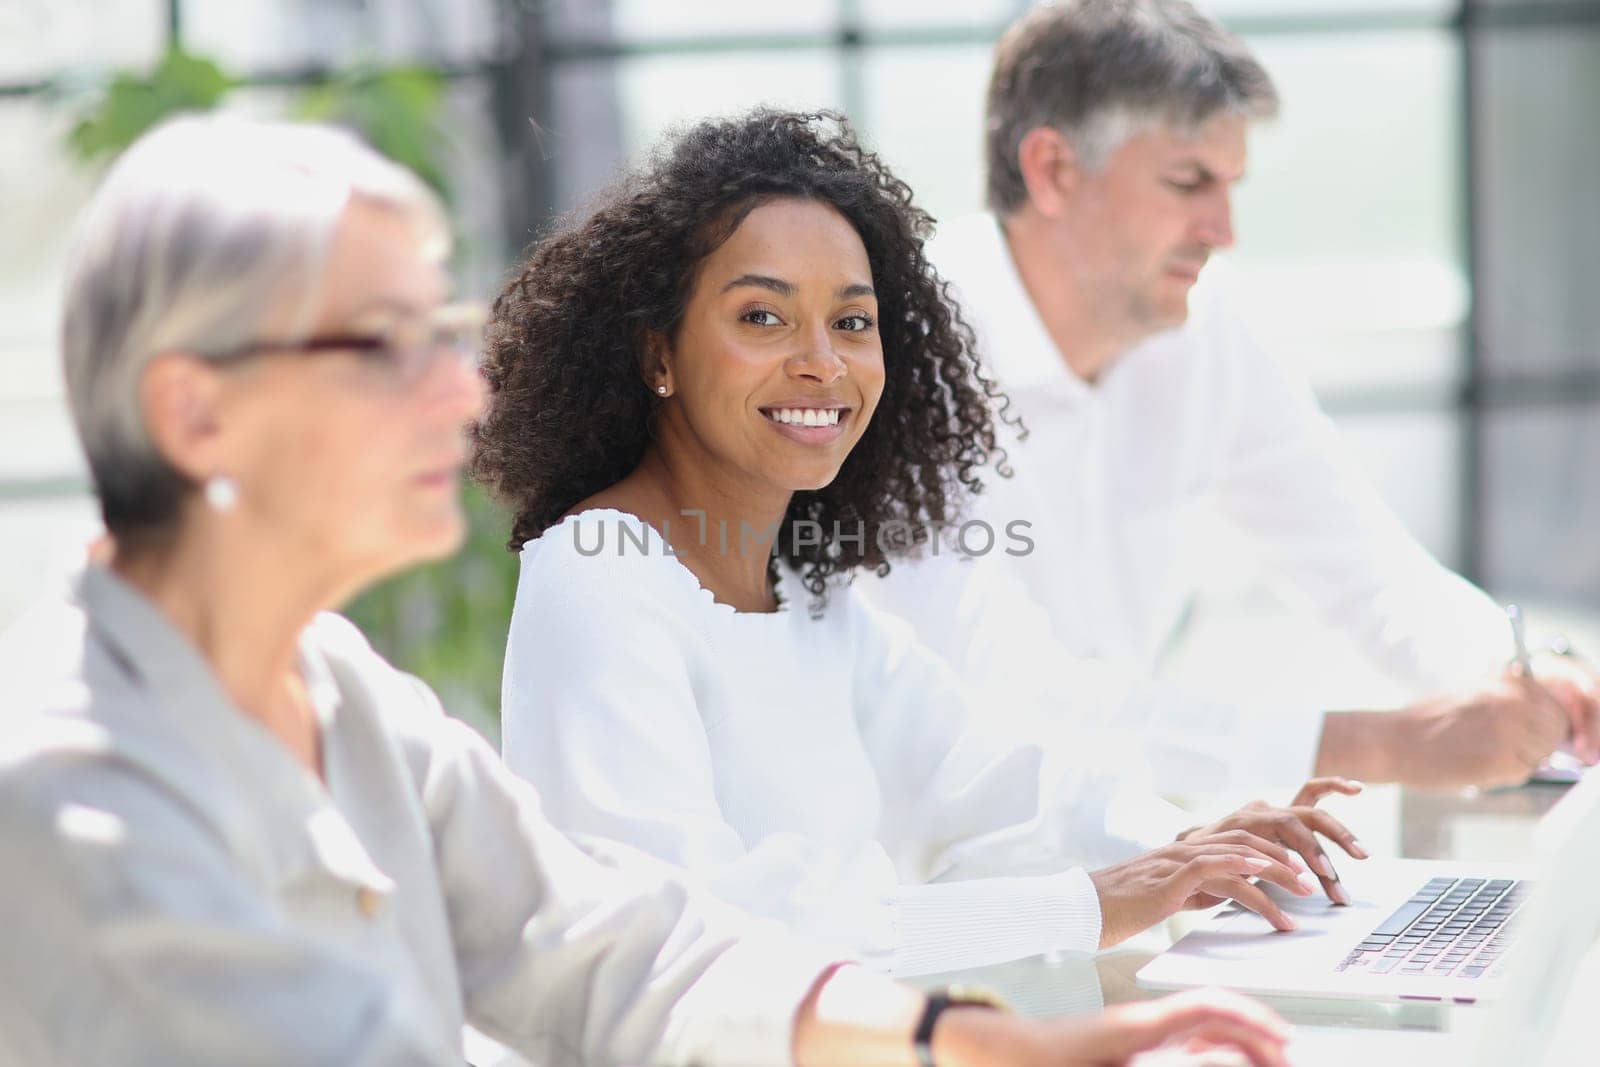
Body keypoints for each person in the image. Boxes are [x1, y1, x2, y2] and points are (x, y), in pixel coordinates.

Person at [0, 114, 1295, 1067]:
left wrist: (987, 1040)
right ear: (197, 413)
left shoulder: (344, 697)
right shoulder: (73, 800)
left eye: (444, 336)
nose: (462, 389)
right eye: (386, 345)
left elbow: (624, 952)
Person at [478, 107, 1367, 985]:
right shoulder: (597, 575)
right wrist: (1098, 901)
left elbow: (992, 774)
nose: (823, 362)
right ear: (655, 352)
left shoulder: (804, 589)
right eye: (762, 317)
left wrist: (1191, 841)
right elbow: (695, 931)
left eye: (854, 322)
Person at [857, 0, 1600, 796]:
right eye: (1188, 182)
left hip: (1113, 850)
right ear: (1053, 171)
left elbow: (1366, 567)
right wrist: (1385, 745)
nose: (1223, 228)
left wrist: (1530, 673)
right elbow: (1002, 694)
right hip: (918, 880)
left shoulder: (1204, 328)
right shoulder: (894, 356)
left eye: (1231, 185)